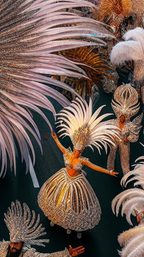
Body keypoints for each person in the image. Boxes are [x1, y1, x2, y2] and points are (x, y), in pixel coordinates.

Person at [38, 98, 119, 238]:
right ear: (74, 146)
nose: (77, 152)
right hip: (64, 178)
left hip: (76, 183)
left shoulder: (82, 160)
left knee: (75, 205)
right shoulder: (69, 153)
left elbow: (95, 167)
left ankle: (73, 226)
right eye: (76, 149)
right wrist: (55, 139)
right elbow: (61, 148)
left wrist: (109, 171)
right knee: (58, 200)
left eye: (79, 150)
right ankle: (55, 218)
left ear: (81, 150)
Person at [0, 201, 84, 257]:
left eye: (16, 243)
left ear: (22, 243)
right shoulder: (3, 250)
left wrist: (67, 254)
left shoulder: (29, 255)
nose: (12, 246)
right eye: (12, 242)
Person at [107, 84, 143, 175]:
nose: (122, 119)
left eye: (123, 117)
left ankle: (126, 173)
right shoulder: (114, 122)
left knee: (125, 158)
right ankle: (109, 169)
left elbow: (134, 136)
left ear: (126, 117)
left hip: (124, 143)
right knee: (111, 154)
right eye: (121, 117)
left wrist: (127, 139)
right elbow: (106, 128)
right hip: (114, 141)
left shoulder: (129, 125)